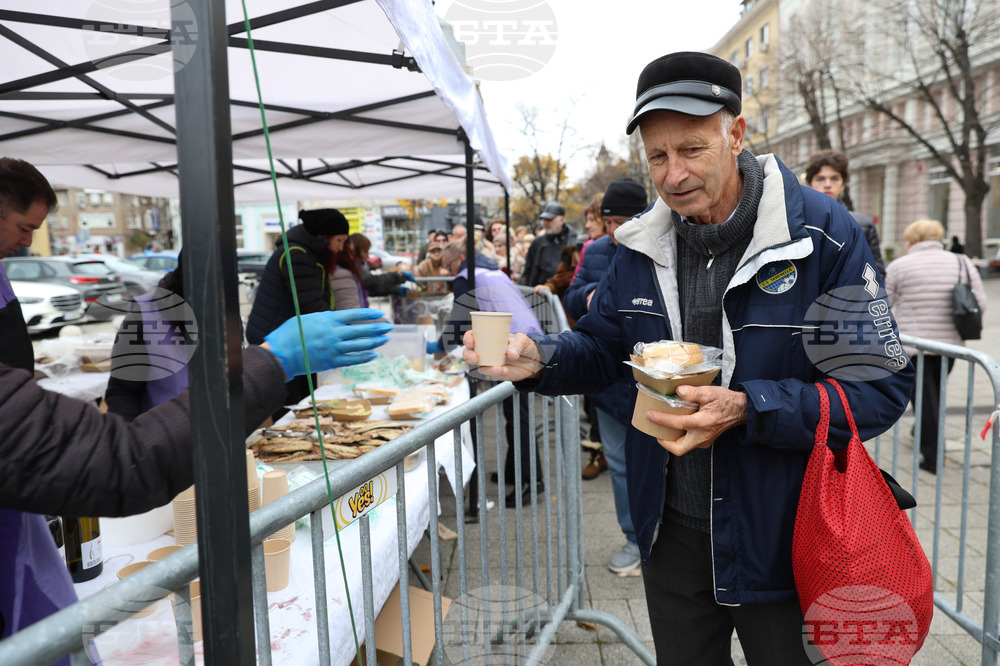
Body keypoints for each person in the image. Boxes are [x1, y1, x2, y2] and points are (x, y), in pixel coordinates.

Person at [461, 52, 914, 663]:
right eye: (657, 157)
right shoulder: (640, 244)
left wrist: (748, 407)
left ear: (736, 133)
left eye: (692, 149)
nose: (672, 175)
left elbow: (877, 389)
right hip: (669, 531)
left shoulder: (823, 234)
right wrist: (539, 357)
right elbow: (603, 348)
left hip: (784, 531)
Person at [0, 157, 391, 658]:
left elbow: (231, 384)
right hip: (156, 462)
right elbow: (121, 396)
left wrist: (259, 406)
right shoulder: (148, 317)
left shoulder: (220, 315)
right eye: (26, 227)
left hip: (195, 449)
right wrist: (128, 437)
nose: (29, 241)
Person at [563, 177, 648, 575]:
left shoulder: (661, 242)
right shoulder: (595, 250)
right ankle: (633, 538)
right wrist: (589, 297)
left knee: (663, 463)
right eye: (608, 221)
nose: (614, 231)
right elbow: (572, 293)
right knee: (618, 461)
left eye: (622, 221)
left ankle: (663, 539)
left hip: (654, 379)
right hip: (610, 379)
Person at [431, 239, 545, 508]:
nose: (446, 266)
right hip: (524, 337)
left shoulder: (466, 276)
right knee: (514, 411)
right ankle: (513, 472)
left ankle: (532, 480)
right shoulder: (490, 271)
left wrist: (437, 347)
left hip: (516, 344)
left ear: (458, 258)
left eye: (448, 260)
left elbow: (458, 321)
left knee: (518, 414)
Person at [886, 218, 986, 473]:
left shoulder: (899, 265)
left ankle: (932, 457)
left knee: (923, 398)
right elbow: (980, 302)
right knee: (934, 395)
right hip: (949, 345)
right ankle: (924, 433)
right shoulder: (961, 262)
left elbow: (883, 303)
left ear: (914, 240)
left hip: (912, 345)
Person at [246, 208, 350, 412]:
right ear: (322, 236)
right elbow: (311, 306)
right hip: (278, 343)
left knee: (302, 404)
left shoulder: (305, 253)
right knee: (291, 409)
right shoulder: (296, 254)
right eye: (339, 241)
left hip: (292, 340)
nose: (340, 248)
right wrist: (342, 329)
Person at [805, 149, 886, 277]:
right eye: (820, 179)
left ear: (843, 184)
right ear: (809, 184)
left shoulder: (861, 225)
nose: (827, 184)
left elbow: (876, 273)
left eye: (834, 179)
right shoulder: (798, 224)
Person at [519, 203, 578, 287]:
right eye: (544, 219)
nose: (546, 223)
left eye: (550, 219)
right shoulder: (537, 242)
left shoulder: (573, 241)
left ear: (561, 220)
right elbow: (528, 271)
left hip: (564, 293)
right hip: (539, 294)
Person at [349, 233, 414, 298]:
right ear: (355, 250)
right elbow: (372, 283)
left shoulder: (358, 266)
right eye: (365, 251)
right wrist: (399, 276)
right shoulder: (354, 267)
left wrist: (396, 289)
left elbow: (372, 289)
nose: (368, 255)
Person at [572, 193, 606, 280]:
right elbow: (576, 282)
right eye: (587, 220)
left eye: (592, 220)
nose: (587, 226)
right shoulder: (587, 245)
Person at [414, 230, 451, 295]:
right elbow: (418, 281)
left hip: (446, 296)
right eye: (433, 251)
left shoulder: (448, 262)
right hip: (430, 297)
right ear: (429, 252)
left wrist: (448, 274)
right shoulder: (424, 264)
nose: (436, 253)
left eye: (438, 251)